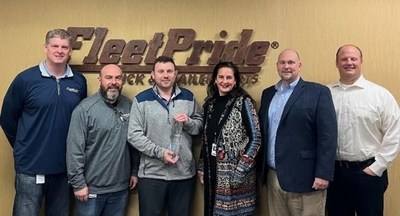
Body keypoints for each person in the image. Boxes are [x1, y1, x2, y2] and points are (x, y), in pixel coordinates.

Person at [0, 29, 87, 216]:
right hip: (30, 167)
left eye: (64, 47)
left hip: (64, 168)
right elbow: (7, 118)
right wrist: (23, 145)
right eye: (55, 46)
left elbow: (80, 122)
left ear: (70, 51)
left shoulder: (79, 81)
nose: (59, 51)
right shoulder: (26, 79)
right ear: (45, 48)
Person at [258, 49, 337, 216]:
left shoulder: (318, 92)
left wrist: (323, 174)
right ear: (277, 66)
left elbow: (328, 136)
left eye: (291, 62)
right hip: (273, 177)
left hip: (306, 178)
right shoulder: (268, 94)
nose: (286, 66)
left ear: (299, 66)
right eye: (282, 63)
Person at [326, 44, 400, 216]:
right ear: (337, 63)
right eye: (344, 59)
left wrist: (377, 167)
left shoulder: (380, 95)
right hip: (334, 174)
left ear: (361, 62)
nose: (349, 62)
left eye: (353, 59)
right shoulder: (326, 94)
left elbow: (395, 132)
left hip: (368, 172)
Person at [127, 55, 203, 216]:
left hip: (183, 174)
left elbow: (199, 127)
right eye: (161, 71)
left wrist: (188, 122)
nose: (165, 75)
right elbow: (134, 135)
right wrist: (160, 153)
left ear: (176, 73)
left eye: (169, 71)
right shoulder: (141, 100)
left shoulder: (189, 97)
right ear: (153, 74)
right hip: (152, 175)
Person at [66, 64, 139, 216]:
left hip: (120, 189)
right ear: (99, 80)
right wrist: (78, 184)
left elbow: (134, 143)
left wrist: (134, 171)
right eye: (109, 77)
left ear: (122, 81)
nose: (114, 82)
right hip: (91, 190)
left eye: (118, 78)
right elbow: (74, 150)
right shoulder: (85, 109)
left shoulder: (129, 106)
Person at [197, 61, 261, 216]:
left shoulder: (243, 102)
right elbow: (207, 139)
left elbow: (256, 138)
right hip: (213, 171)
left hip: (236, 173)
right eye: (221, 77)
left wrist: (241, 169)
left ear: (235, 81)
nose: (224, 81)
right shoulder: (210, 105)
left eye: (229, 77)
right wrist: (201, 166)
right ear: (215, 80)